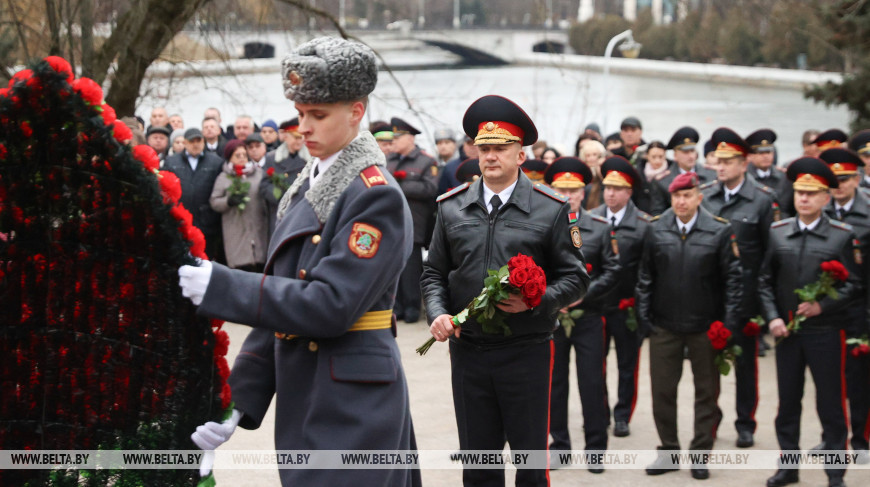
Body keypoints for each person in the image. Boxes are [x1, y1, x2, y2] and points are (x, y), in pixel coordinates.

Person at [179, 36, 419, 487]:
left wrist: (221, 287)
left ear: (356, 111)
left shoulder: (374, 194)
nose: (303, 127)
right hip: (309, 392)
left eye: (318, 114)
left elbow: (329, 304)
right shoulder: (308, 185)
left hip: (354, 405)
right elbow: (278, 308)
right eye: (302, 113)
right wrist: (237, 401)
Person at [422, 94, 589, 486]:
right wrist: (437, 313)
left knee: (531, 466)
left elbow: (576, 278)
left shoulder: (552, 208)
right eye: (484, 148)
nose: (490, 156)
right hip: (469, 353)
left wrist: (536, 301)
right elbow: (433, 273)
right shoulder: (451, 208)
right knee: (478, 465)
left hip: (526, 352)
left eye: (500, 148)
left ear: (520, 154)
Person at [758, 157, 862, 487]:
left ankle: (834, 473)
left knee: (830, 405)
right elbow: (763, 281)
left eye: (811, 193)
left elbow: (854, 284)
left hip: (825, 333)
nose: (803, 199)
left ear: (825, 198)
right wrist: (772, 317)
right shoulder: (778, 232)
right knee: (788, 404)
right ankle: (788, 467)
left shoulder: (841, 236)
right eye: (799, 192)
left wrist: (823, 305)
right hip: (787, 332)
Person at [636, 172, 742, 480]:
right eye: (676, 196)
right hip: (664, 326)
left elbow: (733, 281)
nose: (681, 202)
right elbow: (645, 278)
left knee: (706, 394)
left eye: (687, 195)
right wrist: (645, 321)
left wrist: (727, 324)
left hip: (705, 327)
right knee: (662, 392)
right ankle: (668, 451)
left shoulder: (719, 231)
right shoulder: (656, 229)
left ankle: (700, 454)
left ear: (699, 197)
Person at [700, 128, 779, 449]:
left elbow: (770, 256)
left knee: (745, 365)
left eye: (729, 161)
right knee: (708, 367)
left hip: (745, 298)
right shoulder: (704, 196)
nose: (721, 166)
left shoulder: (762, 200)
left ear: (743, 164)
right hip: (709, 297)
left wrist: (761, 302)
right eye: (718, 161)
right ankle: (711, 420)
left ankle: (745, 423)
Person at [545, 157, 621, 473]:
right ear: (552, 190)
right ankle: (560, 446)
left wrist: (581, 295)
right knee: (555, 383)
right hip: (553, 317)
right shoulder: (544, 226)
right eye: (561, 189)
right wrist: (552, 296)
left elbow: (614, 269)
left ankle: (596, 449)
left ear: (583, 192)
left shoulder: (601, 229)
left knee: (591, 382)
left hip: (589, 316)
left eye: (573, 190)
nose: (567, 195)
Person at [591, 156, 652, 439]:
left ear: (629, 192)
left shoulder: (643, 224)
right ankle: (600, 413)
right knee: (595, 363)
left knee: (628, 365)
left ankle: (622, 415)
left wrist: (641, 304)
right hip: (597, 305)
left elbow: (647, 271)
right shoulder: (591, 219)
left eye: (617, 189)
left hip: (627, 306)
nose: (611, 193)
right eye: (607, 188)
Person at [820, 148, 870, 465]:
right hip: (826, 311)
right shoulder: (817, 212)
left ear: (857, 178)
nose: (839, 185)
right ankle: (831, 440)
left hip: (860, 310)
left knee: (859, 380)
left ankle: (861, 439)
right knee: (827, 379)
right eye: (834, 180)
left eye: (845, 178)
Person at [386, 116, 439, 323]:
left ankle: (412, 308)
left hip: (414, 222)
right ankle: (396, 307)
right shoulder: (388, 160)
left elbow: (430, 188)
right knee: (391, 268)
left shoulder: (426, 161)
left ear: (410, 139)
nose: (394, 142)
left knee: (410, 269)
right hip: (389, 222)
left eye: (398, 138)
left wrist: (401, 184)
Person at [163, 127, 226, 264]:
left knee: (204, 261)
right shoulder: (171, 162)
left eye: (199, 140)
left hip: (207, 222)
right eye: (192, 141)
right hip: (180, 221)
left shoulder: (215, 162)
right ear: (185, 143)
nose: (196, 144)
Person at [210, 139, 268, 272]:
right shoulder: (224, 177)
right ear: (230, 157)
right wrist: (228, 202)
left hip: (258, 228)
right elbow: (214, 201)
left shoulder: (258, 174)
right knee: (241, 270)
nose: (242, 158)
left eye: (244, 154)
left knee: (260, 267)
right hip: (235, 230)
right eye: (237, 155)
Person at [260, 118, 308, 237]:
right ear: (286, 136)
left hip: (303, 211)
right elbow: (264, 185)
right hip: (279, 212)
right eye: (296, 137)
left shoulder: (311, 159)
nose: (299, 141)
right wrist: (280, 196)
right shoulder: (272, 158)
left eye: (301, 137)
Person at [746, 129, 793, 219]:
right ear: (751, 155)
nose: (765, 156)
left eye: (768, 152)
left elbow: (787, 209)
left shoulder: (784, 178)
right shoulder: (745, 178)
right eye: (761, 153)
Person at [657, 126, 716, 194]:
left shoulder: (711, 174)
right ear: (675, 155)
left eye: (692, 151)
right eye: (686, 152)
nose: (691, 156)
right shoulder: (663, 181)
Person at [634, 140, 671, 216]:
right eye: (653, 157)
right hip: (642, 217)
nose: (657, 161)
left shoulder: (671, 173)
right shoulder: (638, 174)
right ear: (647, 156)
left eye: (661, 157)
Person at [580, 140, 606, 210]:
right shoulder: (581, 176)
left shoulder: (604, 174)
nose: (591, 158)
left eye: (594, 154)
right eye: (588, 155)